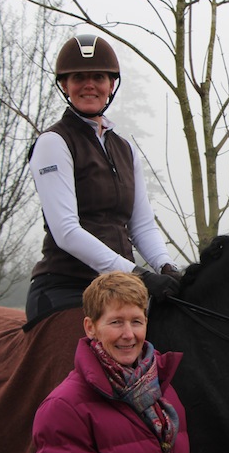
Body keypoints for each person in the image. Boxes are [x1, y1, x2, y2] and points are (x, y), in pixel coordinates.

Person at [25, 34, 180, 329]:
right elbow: (66, 231)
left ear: (111, 85)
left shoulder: (125, 149)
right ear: (65, 85)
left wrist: (165, 267)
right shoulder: (53, 142)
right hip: (68, 287)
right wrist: (139, 274)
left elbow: (142, 225)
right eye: (78, 77)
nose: (89, 85)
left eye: (98, 77)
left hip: (120, 289)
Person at [32, 271, 190, 453]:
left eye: (136, 321)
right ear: (90, 327)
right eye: (116, 322)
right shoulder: (63, 408)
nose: (128, 334)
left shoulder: (165, 391)